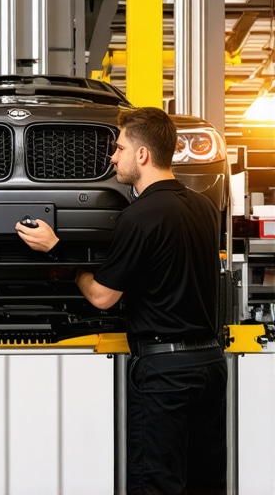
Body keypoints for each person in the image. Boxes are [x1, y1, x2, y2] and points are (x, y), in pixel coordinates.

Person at [15, 107, 227, 495]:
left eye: (119, 148)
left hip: (165, 371)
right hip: (210, 364)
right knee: (205, 481)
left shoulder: (139, 217)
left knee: (156, 483)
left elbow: (101, 296)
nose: (113, 156)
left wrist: (58, 251)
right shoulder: (204, 208)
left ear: (142, 155)